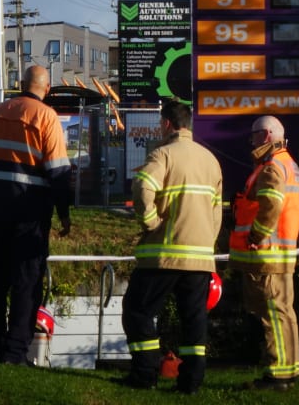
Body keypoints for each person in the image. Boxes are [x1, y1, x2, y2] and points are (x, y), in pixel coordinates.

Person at [0, 65, 73, 365]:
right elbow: (59, 171)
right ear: (48, 88)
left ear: (21, 84)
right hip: (29, 215)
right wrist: (64, 213)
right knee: (26, 282)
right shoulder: (46, 117)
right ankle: (14, 352)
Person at [119, 99, 223, 393]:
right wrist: (207, 243)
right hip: (200, 258)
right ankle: (191, 383)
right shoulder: (210, 160)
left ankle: (145, 374)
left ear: (167, 124)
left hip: (164, 255)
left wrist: (150, 222)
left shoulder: (163, 154)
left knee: (137, 311)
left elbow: (142, 188)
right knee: (194, 320)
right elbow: (216, 212)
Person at [229, 115, 299, 391]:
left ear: (267, 136)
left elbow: (271, 204)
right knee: (284, 313)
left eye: (254, 136)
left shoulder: (272, 167)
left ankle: (278, 375)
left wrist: (255, 235)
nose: (251, 141)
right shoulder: (289, 165)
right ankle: (288, 370)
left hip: (266, 254)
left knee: (272, 315)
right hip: (281, 255)